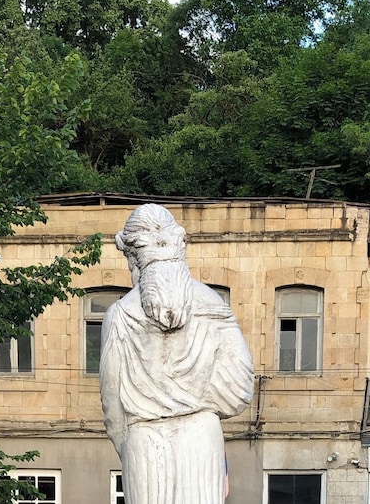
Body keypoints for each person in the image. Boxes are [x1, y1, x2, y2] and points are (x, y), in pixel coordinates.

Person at [100, 204, 254, 504]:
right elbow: (241, 388)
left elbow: (111, 401)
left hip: (143, 440)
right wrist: (203, 408)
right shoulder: (213, 305)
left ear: (133, 257)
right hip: (201, 436)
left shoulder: (119, 315)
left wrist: (130, 444)